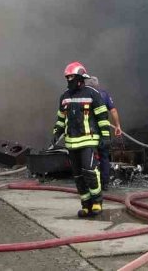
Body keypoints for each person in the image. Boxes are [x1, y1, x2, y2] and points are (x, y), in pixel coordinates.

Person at [51, 61, 111, 218]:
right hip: (71, 143)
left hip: (88, 141)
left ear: (79, 78)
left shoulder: (92, 94)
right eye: (67, 77)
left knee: (90, 171)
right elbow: (60, 118)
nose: (68, 80)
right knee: (78, 176)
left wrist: (105, 136)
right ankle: (86, 205)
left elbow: (103, 117)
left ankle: (97, 202)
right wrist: (56, 132)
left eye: (71, 77)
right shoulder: (64, 97)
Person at [87, 76, 122, 189]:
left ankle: (91, 183)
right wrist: (117, 126)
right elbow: (113, 110)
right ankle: (104, 183)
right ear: (97, 85)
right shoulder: (104, 94)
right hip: (104, 131)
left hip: (90, 131)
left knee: (88, 156)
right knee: (104, 156)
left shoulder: (85, 95)